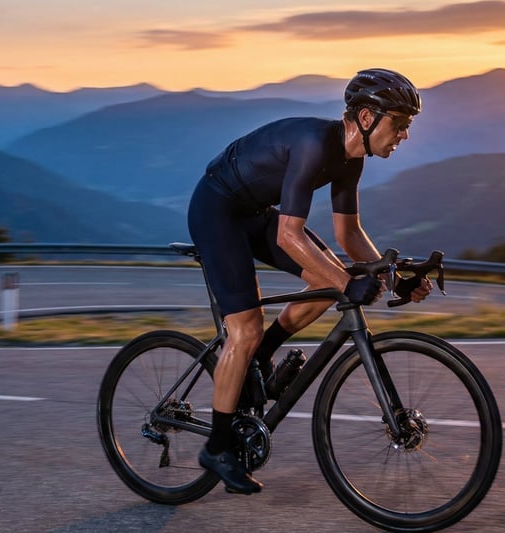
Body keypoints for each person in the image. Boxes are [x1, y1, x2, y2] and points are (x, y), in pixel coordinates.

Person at [186, 68, 434, 494]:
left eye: (407, 125)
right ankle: (217, 445)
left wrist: (394, 280)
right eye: (400, 123)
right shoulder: (315, 144)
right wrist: (346, 281)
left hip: (257, 214)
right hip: (218, 211)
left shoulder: (351, 158)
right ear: (366, 118)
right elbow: (288, 235)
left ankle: (261, 359)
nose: (404, 135)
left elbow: (349, 235)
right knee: (244, 328)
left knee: (332, 282)